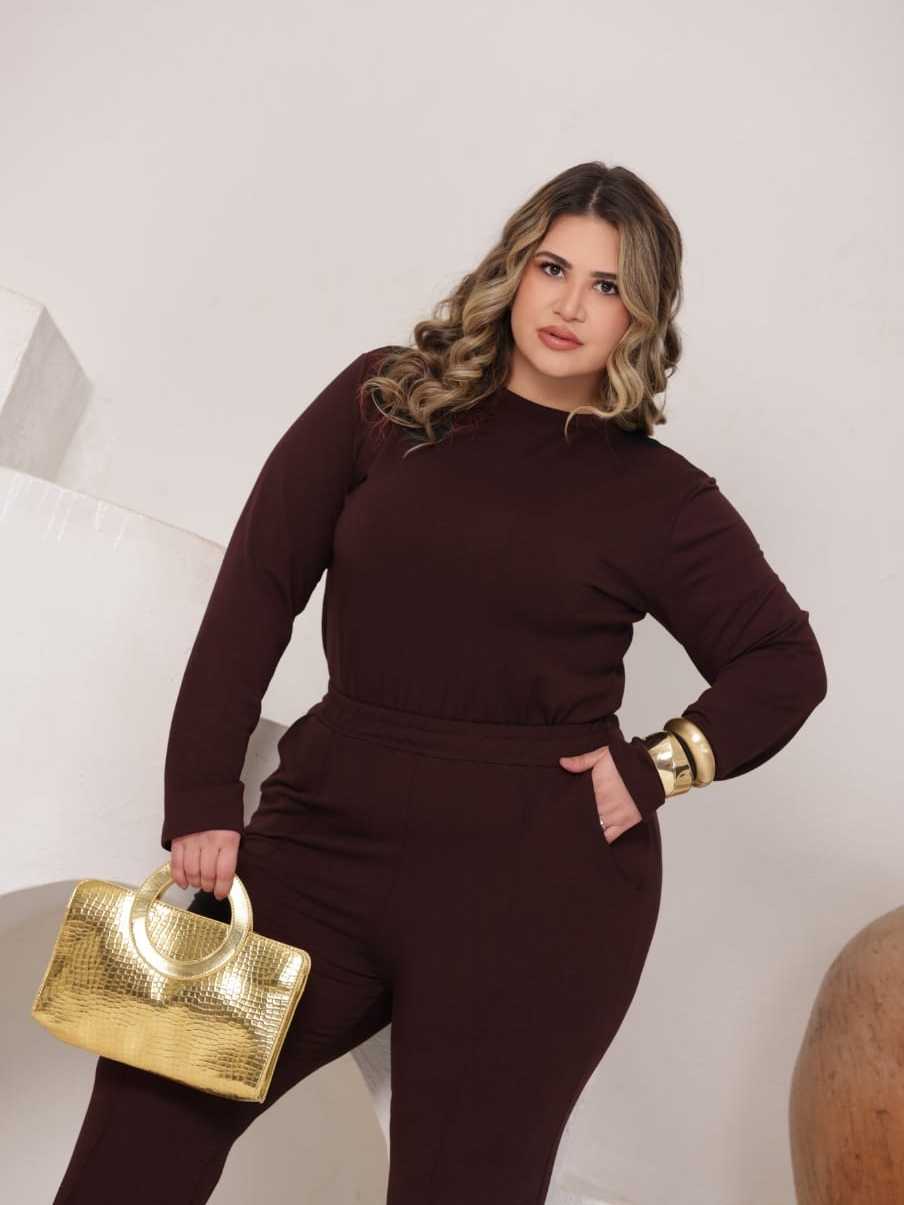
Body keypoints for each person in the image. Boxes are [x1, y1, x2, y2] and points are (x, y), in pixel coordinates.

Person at [52, 160, 827, 1205]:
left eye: (606, 286)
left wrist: (656, 768)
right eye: (553, 267)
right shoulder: (384, 400)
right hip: (320, 841)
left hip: (532, 890)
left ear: (640, 317)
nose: (569, 304)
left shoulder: (658, 497)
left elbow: (783, 659)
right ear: (513, 268)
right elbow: (258, 585)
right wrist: (200, 792)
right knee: (142, 1119)